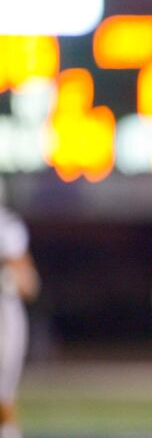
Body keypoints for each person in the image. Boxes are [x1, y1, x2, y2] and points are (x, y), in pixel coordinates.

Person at [0, 185, 40, 438]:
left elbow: (29, 285)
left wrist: (9, 278)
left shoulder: (6, 228)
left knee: (3, 391)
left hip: (3, 314)